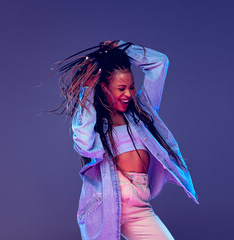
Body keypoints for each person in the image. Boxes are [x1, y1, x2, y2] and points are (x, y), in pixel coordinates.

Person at [52, 40, 199, 240]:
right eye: (121, 88)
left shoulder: (142, 111)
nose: (128, 94)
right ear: (104, 88)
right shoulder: (95, 124)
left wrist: (123, 48)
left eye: (131, 87)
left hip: (140, 207)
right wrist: (86, 91)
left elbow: (160, 63)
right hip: (106, 206)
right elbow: (84, 144)